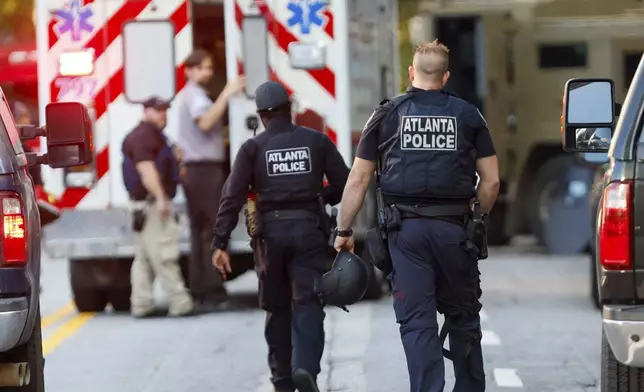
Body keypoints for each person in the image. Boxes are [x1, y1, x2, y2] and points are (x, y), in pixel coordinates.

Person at [333, 40, 500, 392]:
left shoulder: (386, 114)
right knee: (463, 316)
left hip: (405, 233)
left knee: (417, 322)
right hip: (456, 231)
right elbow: (492, 180)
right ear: (446, 76)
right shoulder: (469, 115)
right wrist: (477, 218)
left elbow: (359, 178)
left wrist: (344, 228)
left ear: (411, 73)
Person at [211, 81, 349, 392]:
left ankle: (283, 381)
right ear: (291, 110)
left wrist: (220, 242)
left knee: (276, 307)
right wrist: (320, 198)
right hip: (308, 231)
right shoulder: (316, 141)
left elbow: (231, 197)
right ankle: (306, 368)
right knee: (308, 302)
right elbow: (345, 182)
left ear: (261, 115)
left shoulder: (252, 148)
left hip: (269, 237)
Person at [177, 49, 245, 312]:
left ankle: (201, 288)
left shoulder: (192, 95)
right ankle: (211, 290)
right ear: (189, 71)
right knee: (210, 232)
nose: (209, 72)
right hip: (203, 170)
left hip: (198, 171)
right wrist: (228, 93)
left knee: (200, 232)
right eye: (204, 68)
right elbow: (205, 122)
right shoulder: (195, 95)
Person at [122, 97, 194, 318]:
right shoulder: (145, 137)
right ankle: (180, 302)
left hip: (143, 205)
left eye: (164, 110)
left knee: (143, 259)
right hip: (152, 205)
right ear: (145, 112)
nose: (163, 114)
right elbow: (146, 170)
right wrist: (162, 197)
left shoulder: (153, 136)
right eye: (158, 110)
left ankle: (142, 303)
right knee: (165, 254)